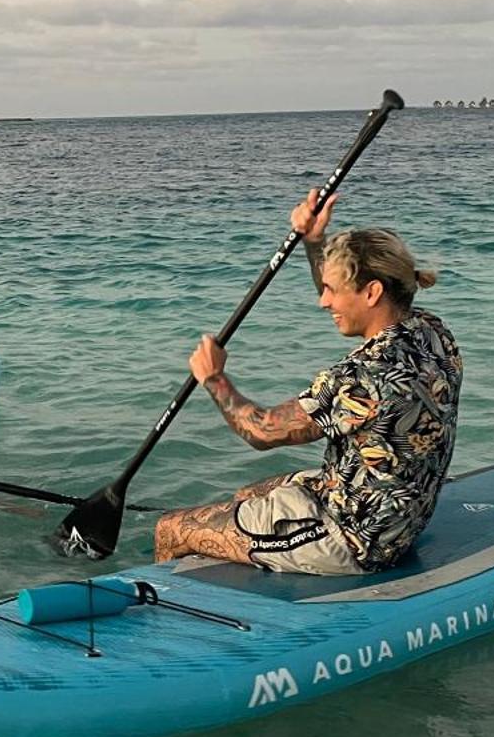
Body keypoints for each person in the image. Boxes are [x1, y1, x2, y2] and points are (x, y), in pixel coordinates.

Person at [152, 188, 461, 572]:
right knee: (248, 495)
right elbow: (345, 295)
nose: (323, 301)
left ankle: (163, 614)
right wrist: (315, 241)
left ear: (372, 292)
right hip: (395, 515)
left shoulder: (361, 377)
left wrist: (214, 379)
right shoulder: (430, 330)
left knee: (170, 529)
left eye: (331, 291)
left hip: (351, 537)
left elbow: (263, 432)